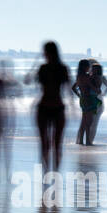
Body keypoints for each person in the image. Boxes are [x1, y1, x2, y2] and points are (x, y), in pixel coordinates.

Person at [35, 41, 71, 171]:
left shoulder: (45, 68)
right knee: (53, 143)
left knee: (50, 143)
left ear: (48, 52)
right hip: (55, 107)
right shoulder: (61, 68)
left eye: (44, 51)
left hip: (47, 107)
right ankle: (51, 171)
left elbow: (67, 89)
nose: (43, 54)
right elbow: (68, 90)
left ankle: (51, 171)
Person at [72, 59, 93, 145]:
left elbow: (73, 88)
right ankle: (87, 141)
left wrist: (79, 95)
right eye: (88, 66)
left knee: (84, 120)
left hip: (83, 99)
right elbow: (91, 86)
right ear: (85, 67)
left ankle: (81, 140)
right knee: (89, 121)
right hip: (88, 99)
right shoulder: (86, 77)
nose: (89, 68)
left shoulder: (79, 76)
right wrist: (98, 90)